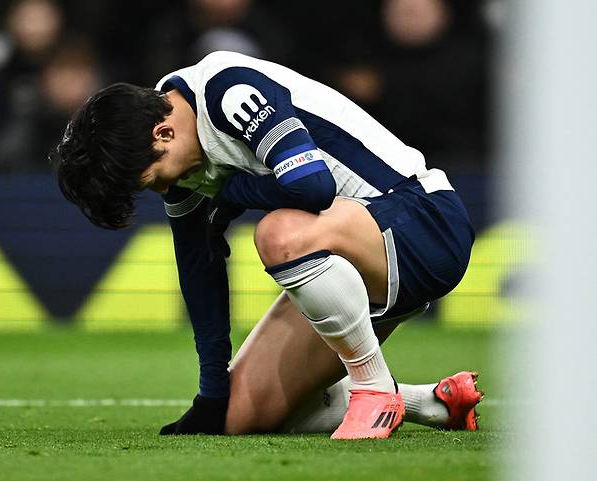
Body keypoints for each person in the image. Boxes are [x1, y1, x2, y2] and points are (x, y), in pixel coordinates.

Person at [50, 51, 480, 439]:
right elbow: (200, 271)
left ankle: (374, 388)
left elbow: (313, 186)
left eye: (154, 180)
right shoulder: (174, 149)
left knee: (278, 235)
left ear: (163, 133)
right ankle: (433, 403)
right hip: (354, 260)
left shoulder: (228, 90)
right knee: (240, 417)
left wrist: (229, 195)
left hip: (423, 224)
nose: (164, 190)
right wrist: (211, 393)